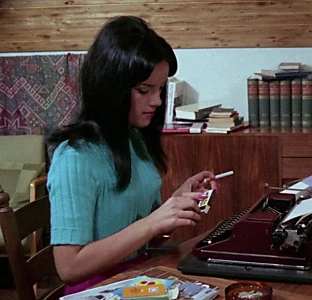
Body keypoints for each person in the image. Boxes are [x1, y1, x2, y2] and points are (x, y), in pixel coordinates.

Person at [46, 16, 217, 294]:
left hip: (141, 278)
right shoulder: (75, 158)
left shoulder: (134, 138)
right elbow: (69, 268)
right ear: (110, 88)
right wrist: (152, 223)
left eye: (161, 89)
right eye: (144, 90)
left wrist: (173, 208)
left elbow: (149, 239)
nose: (157, 101)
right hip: (100, 290)